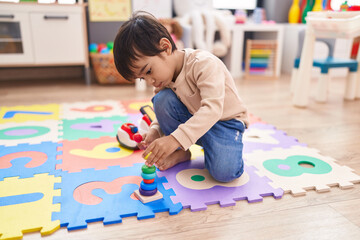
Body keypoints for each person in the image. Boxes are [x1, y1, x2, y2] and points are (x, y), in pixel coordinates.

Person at [113, 12, 249, 183]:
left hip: (225, 124)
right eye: (143, 78)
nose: (150, 81)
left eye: (148, 71)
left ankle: (211, 149)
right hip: (194, 123)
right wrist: (156, 130)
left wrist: (174, 139)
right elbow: (161, 111)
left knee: (224, 173)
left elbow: (212, 110)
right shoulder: (164, 78)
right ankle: (181, 151)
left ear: (165, 47)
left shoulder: (203, 64)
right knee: (162, 100)